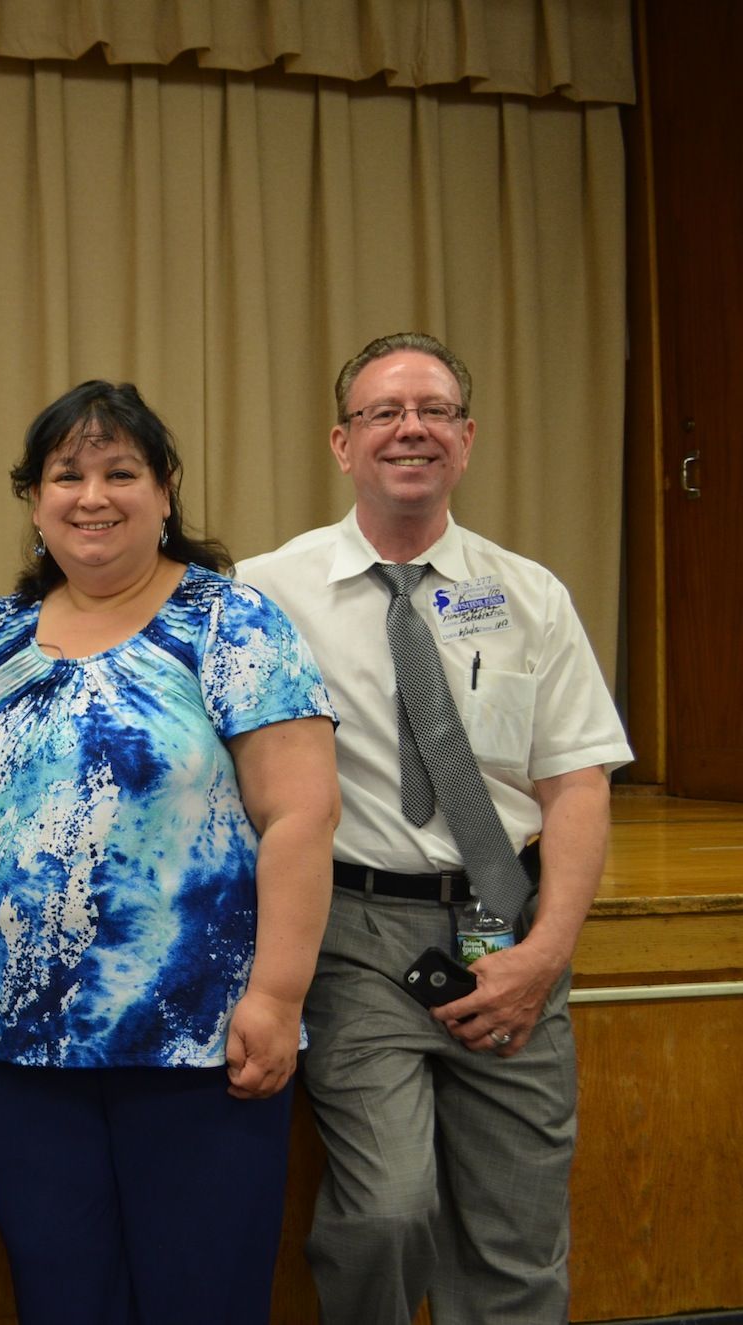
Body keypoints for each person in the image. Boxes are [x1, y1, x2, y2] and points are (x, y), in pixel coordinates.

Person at [236, 332, 632, 1324]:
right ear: (339, 442)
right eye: (382, 412)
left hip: (503, 923)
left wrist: (541, 953)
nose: (408, 428)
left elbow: (574, 783)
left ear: (464, 437)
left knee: (515, 1243)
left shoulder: (527, 596)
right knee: (386, 1210)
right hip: (354, 936)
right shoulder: (264, 594)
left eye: (432, 411)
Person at [0, 381, 340, 1325]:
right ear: (34, 502)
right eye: (67, 474)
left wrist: (278, 995)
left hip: (201, 1046)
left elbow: (301, 815)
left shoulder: (230, 622)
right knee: (59, 1301)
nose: (94, 494)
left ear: (165, 493)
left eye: (121, 471)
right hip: (21, 1053)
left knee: (199, 1301)